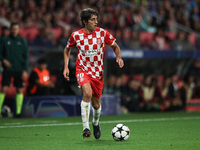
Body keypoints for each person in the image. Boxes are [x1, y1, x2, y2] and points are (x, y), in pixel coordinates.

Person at [63, 8, 124, 139]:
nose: (96, 22)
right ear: (85, 22)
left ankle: (95, 123)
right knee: (87, 94)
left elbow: (115, 46)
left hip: (97, 73)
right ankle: (86, 128)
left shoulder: (103, 33)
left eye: (96, 19)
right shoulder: (76, 35)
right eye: (93, 20)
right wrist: (66, 66)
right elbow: (67, 49)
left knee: (96, 104)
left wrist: (118, 57)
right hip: (82, 69)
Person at [0, 22, 29, 117]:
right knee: (3, 88)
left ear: (18, 29)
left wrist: (25, 70)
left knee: (19, 90)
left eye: (16, 29)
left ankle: (18, 112)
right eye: (13, 29)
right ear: (10, 29)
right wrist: (3, 60)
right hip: (8, 69)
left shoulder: (22, 41)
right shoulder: (4, 40)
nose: (14, 30)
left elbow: (26, 56)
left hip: (19, 69)